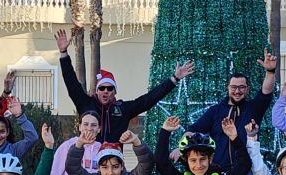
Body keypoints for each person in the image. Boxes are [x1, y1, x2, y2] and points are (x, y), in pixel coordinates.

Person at [54, 27, 191, 135]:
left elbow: (149, 99)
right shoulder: (85, 103)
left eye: (109, 88)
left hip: (113, 164)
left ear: (114, 91)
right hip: (89, 159)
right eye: (102, 88)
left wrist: (174, 78)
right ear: (97, 91)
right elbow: (71, 82)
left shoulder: (123, 109)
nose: (106, 91)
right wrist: (64, 53)